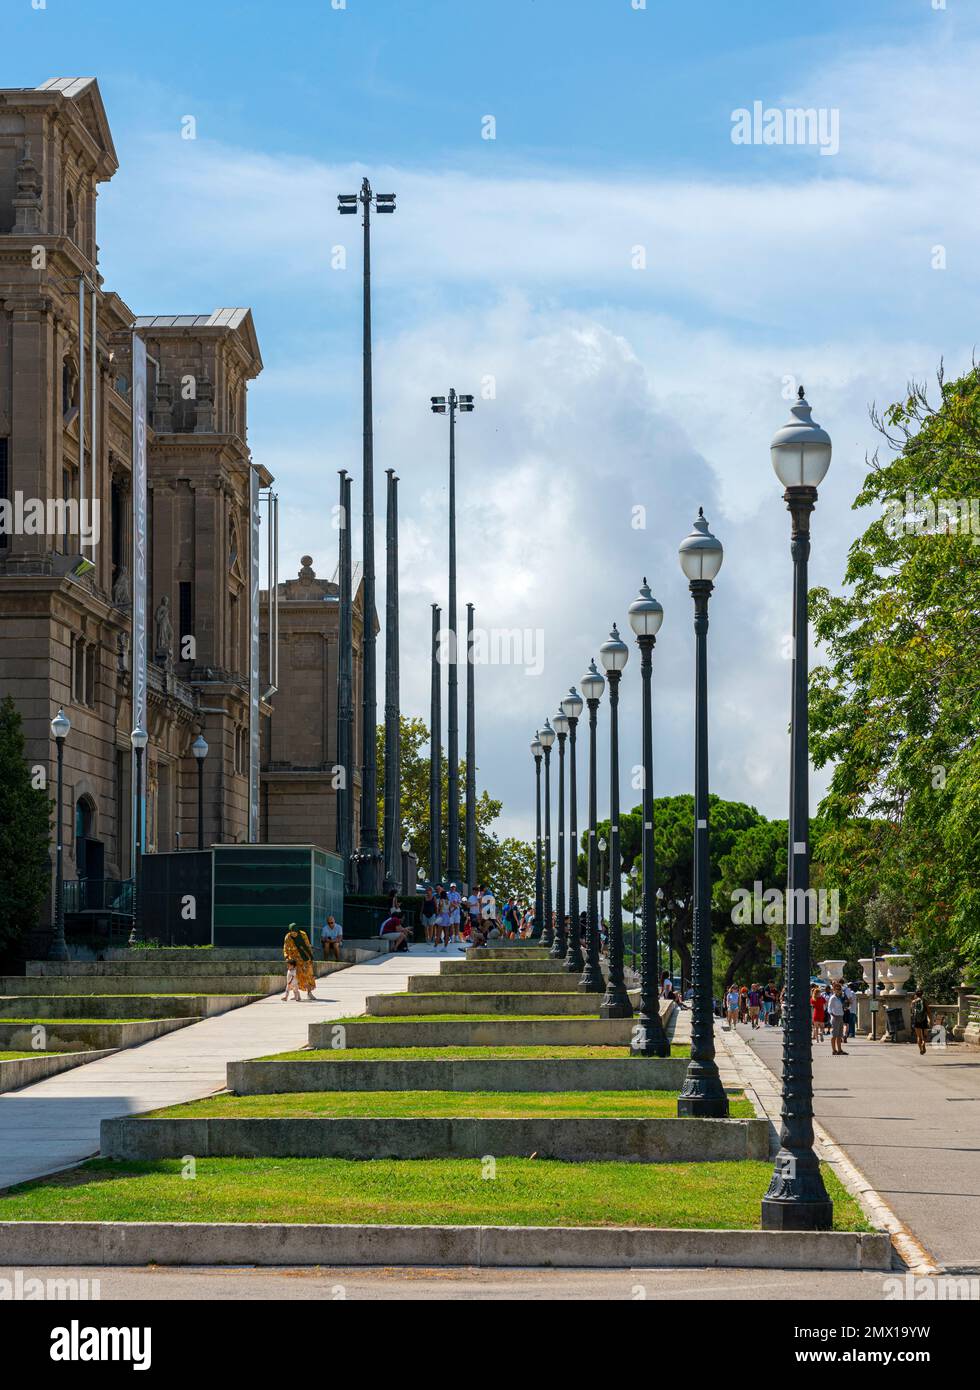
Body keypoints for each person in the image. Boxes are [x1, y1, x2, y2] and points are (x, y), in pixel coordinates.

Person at [283, 924, 317, 1000]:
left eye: (295, 933)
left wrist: (310, 957)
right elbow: (285, 947)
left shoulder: (303, 935)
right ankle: (296, 995)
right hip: (294, 960)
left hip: (304, 958)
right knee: (295, 977)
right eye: (292, 933)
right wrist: (286, 957)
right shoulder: (288, 937)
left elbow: (307, 946)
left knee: (308, 975)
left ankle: (309, 993)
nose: (293, 934)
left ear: (297, 931)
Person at [827, 980, 847, 1056]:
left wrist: (844, 1008)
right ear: (834, 990)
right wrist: (833, 1015)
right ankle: (834, 1050)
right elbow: (829, 1009)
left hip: (841, 1016)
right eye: (837, 989)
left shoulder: (840, 998)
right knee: (834, 1035)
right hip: (835, 1017)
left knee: (839, 1035)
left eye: (840, 989)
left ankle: (839, 1050)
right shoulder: (833, 998)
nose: (839, 990)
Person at [911, 989, 930, 1055]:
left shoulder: (913, 1002)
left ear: (916, 994)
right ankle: (924, 1043)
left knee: (918, 1036)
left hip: (916, 1020)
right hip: (924, 1019)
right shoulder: (924, 1001)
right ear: (922, 994)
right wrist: (930, 1019)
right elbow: (928, 1011)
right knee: (925, 1035)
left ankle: (920, 1049)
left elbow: (912, 1011)